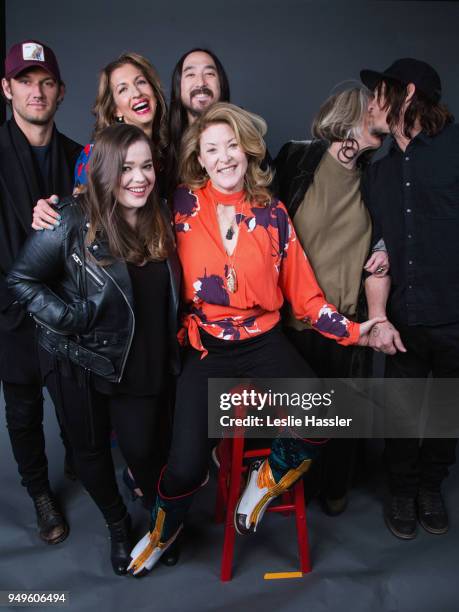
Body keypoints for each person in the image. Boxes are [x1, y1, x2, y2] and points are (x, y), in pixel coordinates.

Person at [127, 102, 384, 576]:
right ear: (199, 159)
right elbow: (123, 201)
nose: (224, 157)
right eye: (212, 149)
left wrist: (354, 332)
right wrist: (68, 207)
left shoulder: (274, 214)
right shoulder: (180, 204)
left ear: (246, 151)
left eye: (232, 146)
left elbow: (305, 296)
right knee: (184, 466)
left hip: (264, 341)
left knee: (326, 416)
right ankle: (163, 532)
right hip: (206, 345)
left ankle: (265, 479)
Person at [7, 124, 181, 575]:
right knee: (89, 454)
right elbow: (21, 278)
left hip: (138, 362)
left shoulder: (160, 214)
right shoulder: (69, 218)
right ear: (104, 172)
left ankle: (161, 527)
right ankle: (119, 525)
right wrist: (68, 318)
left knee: (144, 452)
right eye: (126, 168)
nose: (139, 177)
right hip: (77, 362)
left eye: (146, 166)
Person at [275, 85, 388, 515]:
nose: (384, 116)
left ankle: (335, 483)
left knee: (341, 415)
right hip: (293, 319)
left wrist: (385, 251)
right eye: (376, 110)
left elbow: (388, 234)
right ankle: (288, 483)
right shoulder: (295, 159)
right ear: (352, 114)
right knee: (294, 417)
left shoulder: (378, 175)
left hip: (347, 322)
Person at [361, 58, 458, 539]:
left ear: (408, 92)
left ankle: (430, 488)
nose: (372, 102)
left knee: (445, 413)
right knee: (400, 413)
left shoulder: (455, 149)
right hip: (405, 319)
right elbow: (381, 243)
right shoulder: (379, 174)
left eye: (380, 92)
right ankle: (400, 490)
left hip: (455, 318)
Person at [0, 40, 82, 545]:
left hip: (70, 313)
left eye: (46, 81)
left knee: (78, 403)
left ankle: (80, 458)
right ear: (5, 88)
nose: (37, 91)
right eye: (25, 81)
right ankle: (39, 493)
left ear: (61, 91)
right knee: (24, 409)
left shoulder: (80, 157)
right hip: (10, 310)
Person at [31, 51, 168, 231]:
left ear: (154, 92)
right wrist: (50, 213)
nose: (136, 93)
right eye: (123, 89)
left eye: (141, 82)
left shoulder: (167, 152)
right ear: (115, 110)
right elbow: (81, 219)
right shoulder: (96, 155)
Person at [167, 48, 230, 195]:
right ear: (178, 87)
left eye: (209, 74)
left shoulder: (246, 137)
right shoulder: (164, 147)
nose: (201, 82)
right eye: (190, 74)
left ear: (221, 84)